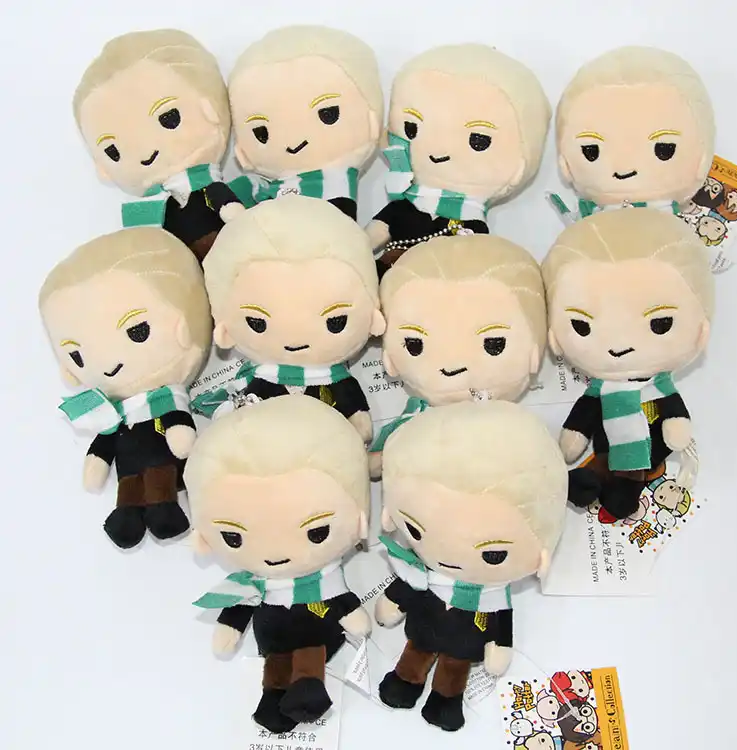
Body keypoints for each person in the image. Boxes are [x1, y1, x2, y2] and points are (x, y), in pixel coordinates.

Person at [376, 401, 567, 731]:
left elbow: (501, 619)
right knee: (416, 652)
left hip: (463, 644)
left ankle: (446, 700)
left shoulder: (492, 595)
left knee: (454, 667)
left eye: (493, 554)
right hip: (423, 629)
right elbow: (409, 585)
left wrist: (500, 645)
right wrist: (394, 602)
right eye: (416, 531)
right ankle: (405, 680)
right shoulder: (422, 572)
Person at [187, 396, 371, 733]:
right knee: (275, 665)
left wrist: (352, 615)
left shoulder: (325, 582)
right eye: (233, 538)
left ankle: (309, 688)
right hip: (272, 640)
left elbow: (342, 601)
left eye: (316, 532)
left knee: (308, 656)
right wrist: (230, 627)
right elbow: (240, 606)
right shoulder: (252, 584)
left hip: (318, 636)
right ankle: (271, 699)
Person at [39, 228, 211, 548]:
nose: (107, 362)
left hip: (163, 461)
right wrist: (97, 461)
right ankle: (127, 514)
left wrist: (179, 431)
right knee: (128, 486)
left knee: (158, 478)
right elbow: (106, 438)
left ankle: (164, 508)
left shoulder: (164, 397)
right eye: (77, 355)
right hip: (128, 467)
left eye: (137, 331)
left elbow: (177, 420)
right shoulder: (111, 412)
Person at [542, 209, 714, 520]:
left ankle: (620, 483)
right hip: (607, 444)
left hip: (649, 447)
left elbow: (673, 409)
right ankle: (596, 475)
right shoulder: (601, 387)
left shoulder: (658, 384)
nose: (619, 345)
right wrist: (574, 435)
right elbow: (585, 413)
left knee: (631, 468)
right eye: (582, 326)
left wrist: (677, 426)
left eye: (660, 324)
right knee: (605, 455)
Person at [193, 196, 383, 440]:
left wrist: (359, 423)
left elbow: (356, 412)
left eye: (335, 322)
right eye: (257, 323)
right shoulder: (262, 381)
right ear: (225, 330)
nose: (295, 339)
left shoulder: (336, 381)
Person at [369, 233, 546, 475]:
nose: (452, 364)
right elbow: (378, 460)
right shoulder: (416, 416)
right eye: (414, 345)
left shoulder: (512, 426)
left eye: (494, 343)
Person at [366, 43, 550, 275]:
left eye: (478, 140)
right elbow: (365, 242)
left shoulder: (471, 225)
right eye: (412, 128)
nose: (438, 149)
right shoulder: (401, 207)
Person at [73, 29, 245, 262]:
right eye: (113, 151)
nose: (145, 152)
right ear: (102, 167)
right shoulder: (146, 211)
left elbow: (235, 214)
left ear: (210, 109)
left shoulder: (213, 189)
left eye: (169, 118)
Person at [227, 25, 383, 221]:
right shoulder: (260, 185)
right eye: (261, 132)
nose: (292, 140)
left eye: (328, 114)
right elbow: (222, 199)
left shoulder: (335, 182)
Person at [552, 46, 715, 221]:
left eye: (664, 149)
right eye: (591, 151)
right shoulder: (590, 217)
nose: (624, 169)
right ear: (565, 164)